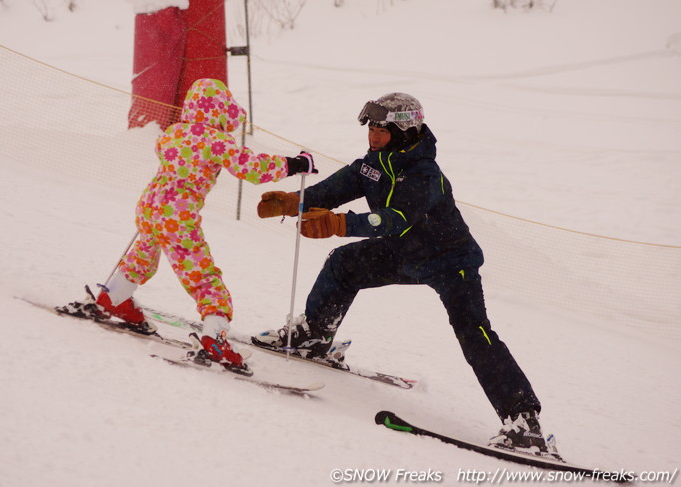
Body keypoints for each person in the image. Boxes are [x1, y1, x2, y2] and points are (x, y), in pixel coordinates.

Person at [254, 92, 555, 456]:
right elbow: (338, 187)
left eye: (383, 128)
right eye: (372, 127)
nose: (374, 135)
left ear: (404, 129)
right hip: (405, 253)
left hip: (450, 261)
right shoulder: (374, 163)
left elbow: (396, 219)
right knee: (343, 264)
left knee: (473, 332)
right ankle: (314, 336)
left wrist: (339, 223)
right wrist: (295, 203)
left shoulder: (424, 174)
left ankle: (524, 422)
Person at [93, 78, 316, 372]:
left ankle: (114, 296)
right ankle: (215, 336)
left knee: (144, 253)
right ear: (221, 111)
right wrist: (295, 164)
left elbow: (165, 153)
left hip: (150, 206)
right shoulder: (216, 141)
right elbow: (250, 168)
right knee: (202, 276)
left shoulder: (173, 133)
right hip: (179, 216)